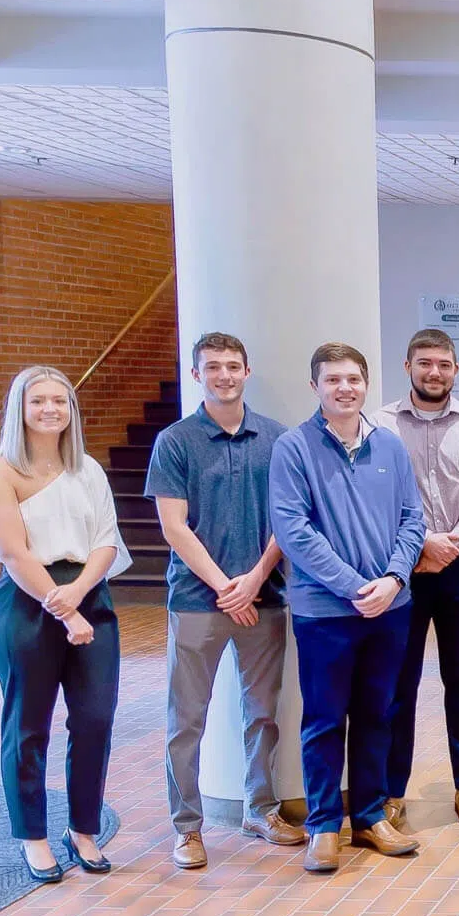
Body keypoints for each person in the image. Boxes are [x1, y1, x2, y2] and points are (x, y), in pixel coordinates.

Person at [145, 332, 301, 871]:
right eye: (213, 367)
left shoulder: (278, 440)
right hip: (195, 600)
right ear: (197, 375)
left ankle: (261, 809)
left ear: (247, 371)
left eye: (233, 366)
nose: (224, 375)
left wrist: (255, 579)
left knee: (263, 713)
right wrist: (225, 587)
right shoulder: (175, 441)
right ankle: (186, 828)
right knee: (186, 719)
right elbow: (174, 527)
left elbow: (289, 520)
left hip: (266, 597)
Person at [270, 343, 426, 873]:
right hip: (325, 612)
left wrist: (392, 578)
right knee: (323, 719)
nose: (345, 388)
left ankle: (368, 815)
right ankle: (322, 825)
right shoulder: (294, 449)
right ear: (315, 386)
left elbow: (413, 519)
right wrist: (356, 586)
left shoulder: (390, 447)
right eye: (333, 379)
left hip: (391, 607)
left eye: (354, 379)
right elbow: (294, 531)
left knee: (378, 714)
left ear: (366, 384)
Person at [0, 366, 129, 883]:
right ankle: (33, 837)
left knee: (95, 718)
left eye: (59, 401)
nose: (49, 410)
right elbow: (15, 554)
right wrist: (62, 609)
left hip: (88, 594)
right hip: (25, 604)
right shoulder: (0, 472)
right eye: (38, 400)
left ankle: (83, 829)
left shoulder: (88, 468)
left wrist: (80, 597)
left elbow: (108, 540)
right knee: (27, 726)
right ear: (20, 408)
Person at [372, 329, 459, 831]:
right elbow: (373, 497)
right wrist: (421, 543)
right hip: (400, 568)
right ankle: (390, 791)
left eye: (444, 364)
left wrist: (448, 542)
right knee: (397, 684)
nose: (435, 372)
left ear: (456, 370)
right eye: (425, 363)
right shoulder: (379, 424)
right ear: (408, 366)